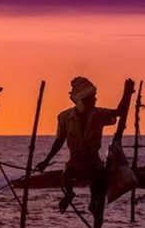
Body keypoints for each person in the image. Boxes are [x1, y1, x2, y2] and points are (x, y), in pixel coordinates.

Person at [36, 77, 135, 213]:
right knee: (66, 176)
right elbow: (59, 141)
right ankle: (69, 194)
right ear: (83, 99)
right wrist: (46, 162)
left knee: (97, 178)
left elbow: (119, 112)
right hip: (75, 160)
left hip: (93, 160)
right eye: (92, 97)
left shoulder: (98, 114)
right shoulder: (65, 117)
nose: (95, 100)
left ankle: (93, 201)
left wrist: (127, 94)